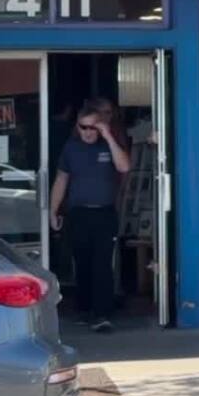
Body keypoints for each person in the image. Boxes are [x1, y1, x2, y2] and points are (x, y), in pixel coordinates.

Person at [48, 105, 131, 333]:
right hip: (78, 214)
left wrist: (108, 136)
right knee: (82, 262)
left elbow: (124, 166)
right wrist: (52, 211)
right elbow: (61, 180)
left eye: (92, 127)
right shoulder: (71, 148)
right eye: (83, 127)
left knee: (102, 264)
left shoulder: (109, 145)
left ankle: (102, 314)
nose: (87, 132)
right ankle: (84, 309)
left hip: (104, 213)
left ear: (101, 126)